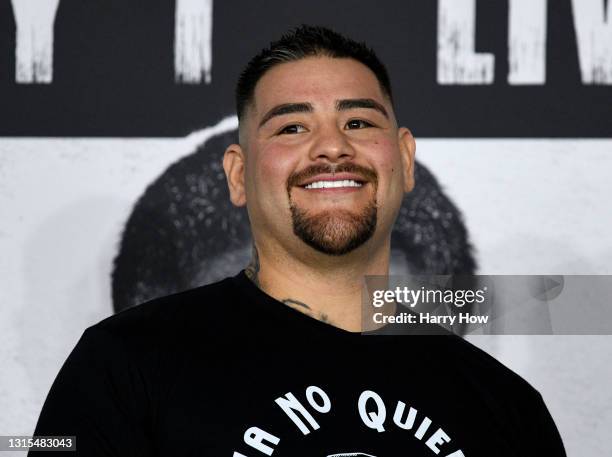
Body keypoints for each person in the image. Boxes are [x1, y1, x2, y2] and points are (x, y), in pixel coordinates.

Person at [30, 25, 566, 456]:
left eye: (358, 122)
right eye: (291, 128)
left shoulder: (504, 406)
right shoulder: (124, 367)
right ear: (238, 175)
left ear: (403, 160)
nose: (332, 147)